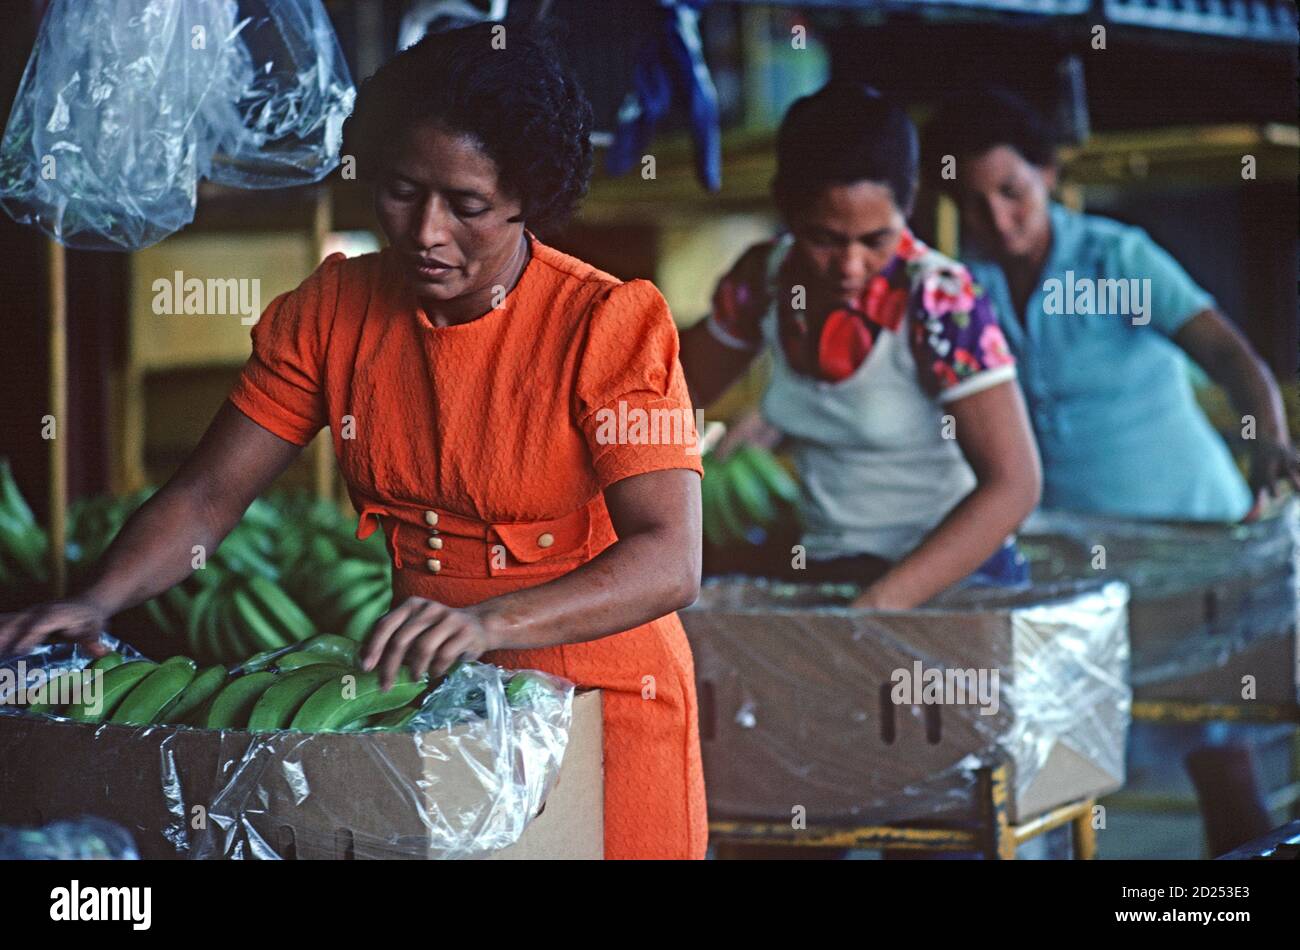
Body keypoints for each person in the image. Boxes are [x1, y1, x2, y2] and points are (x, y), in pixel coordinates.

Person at [0, 24, 708, 860]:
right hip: (427, 706)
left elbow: (672, 558)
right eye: (402, 191)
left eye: (468, 206)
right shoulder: (333, 313)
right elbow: (206, 496)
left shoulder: (607, 323)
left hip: (604, 705)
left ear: (530, 200)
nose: (427, 231)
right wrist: (99, 599)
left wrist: (488, 623)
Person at [681, 82, 1042, 610]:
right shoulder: (763, 280)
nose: (850, 267)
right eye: (824, 238)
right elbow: (669, 402)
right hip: (829, 569)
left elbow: (1015, 485)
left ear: (909, 204)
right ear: (785, 206)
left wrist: (874, 611)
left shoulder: (941, 300)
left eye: (876, 240)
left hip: (952, 585)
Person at [921, 85, 1299, 521]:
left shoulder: (1115, 260)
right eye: (973, 203)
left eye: (1012, 191)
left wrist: (1269, 439)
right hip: (1074, 545)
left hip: (1200, 525)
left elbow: (1225, 352)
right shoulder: (963, 291)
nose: (999, 221)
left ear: (1047, 172)